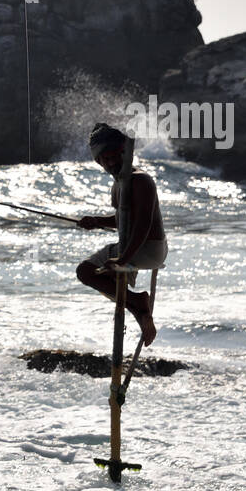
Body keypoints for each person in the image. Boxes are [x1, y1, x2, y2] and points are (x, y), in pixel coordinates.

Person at [76, 123, 167, 345]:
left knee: (85, 271)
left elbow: (143, 225)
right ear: (98, 162)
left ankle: (137, 302)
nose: (111, 162)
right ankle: (137, 307)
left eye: (115, 156)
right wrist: (97, 221)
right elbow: (124, 220)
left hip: (148, 248)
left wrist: (123, 259)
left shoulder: (140, 180)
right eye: (104, 159)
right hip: (137, 247)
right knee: (99, 275)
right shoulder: (119, 183)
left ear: (125, 152)